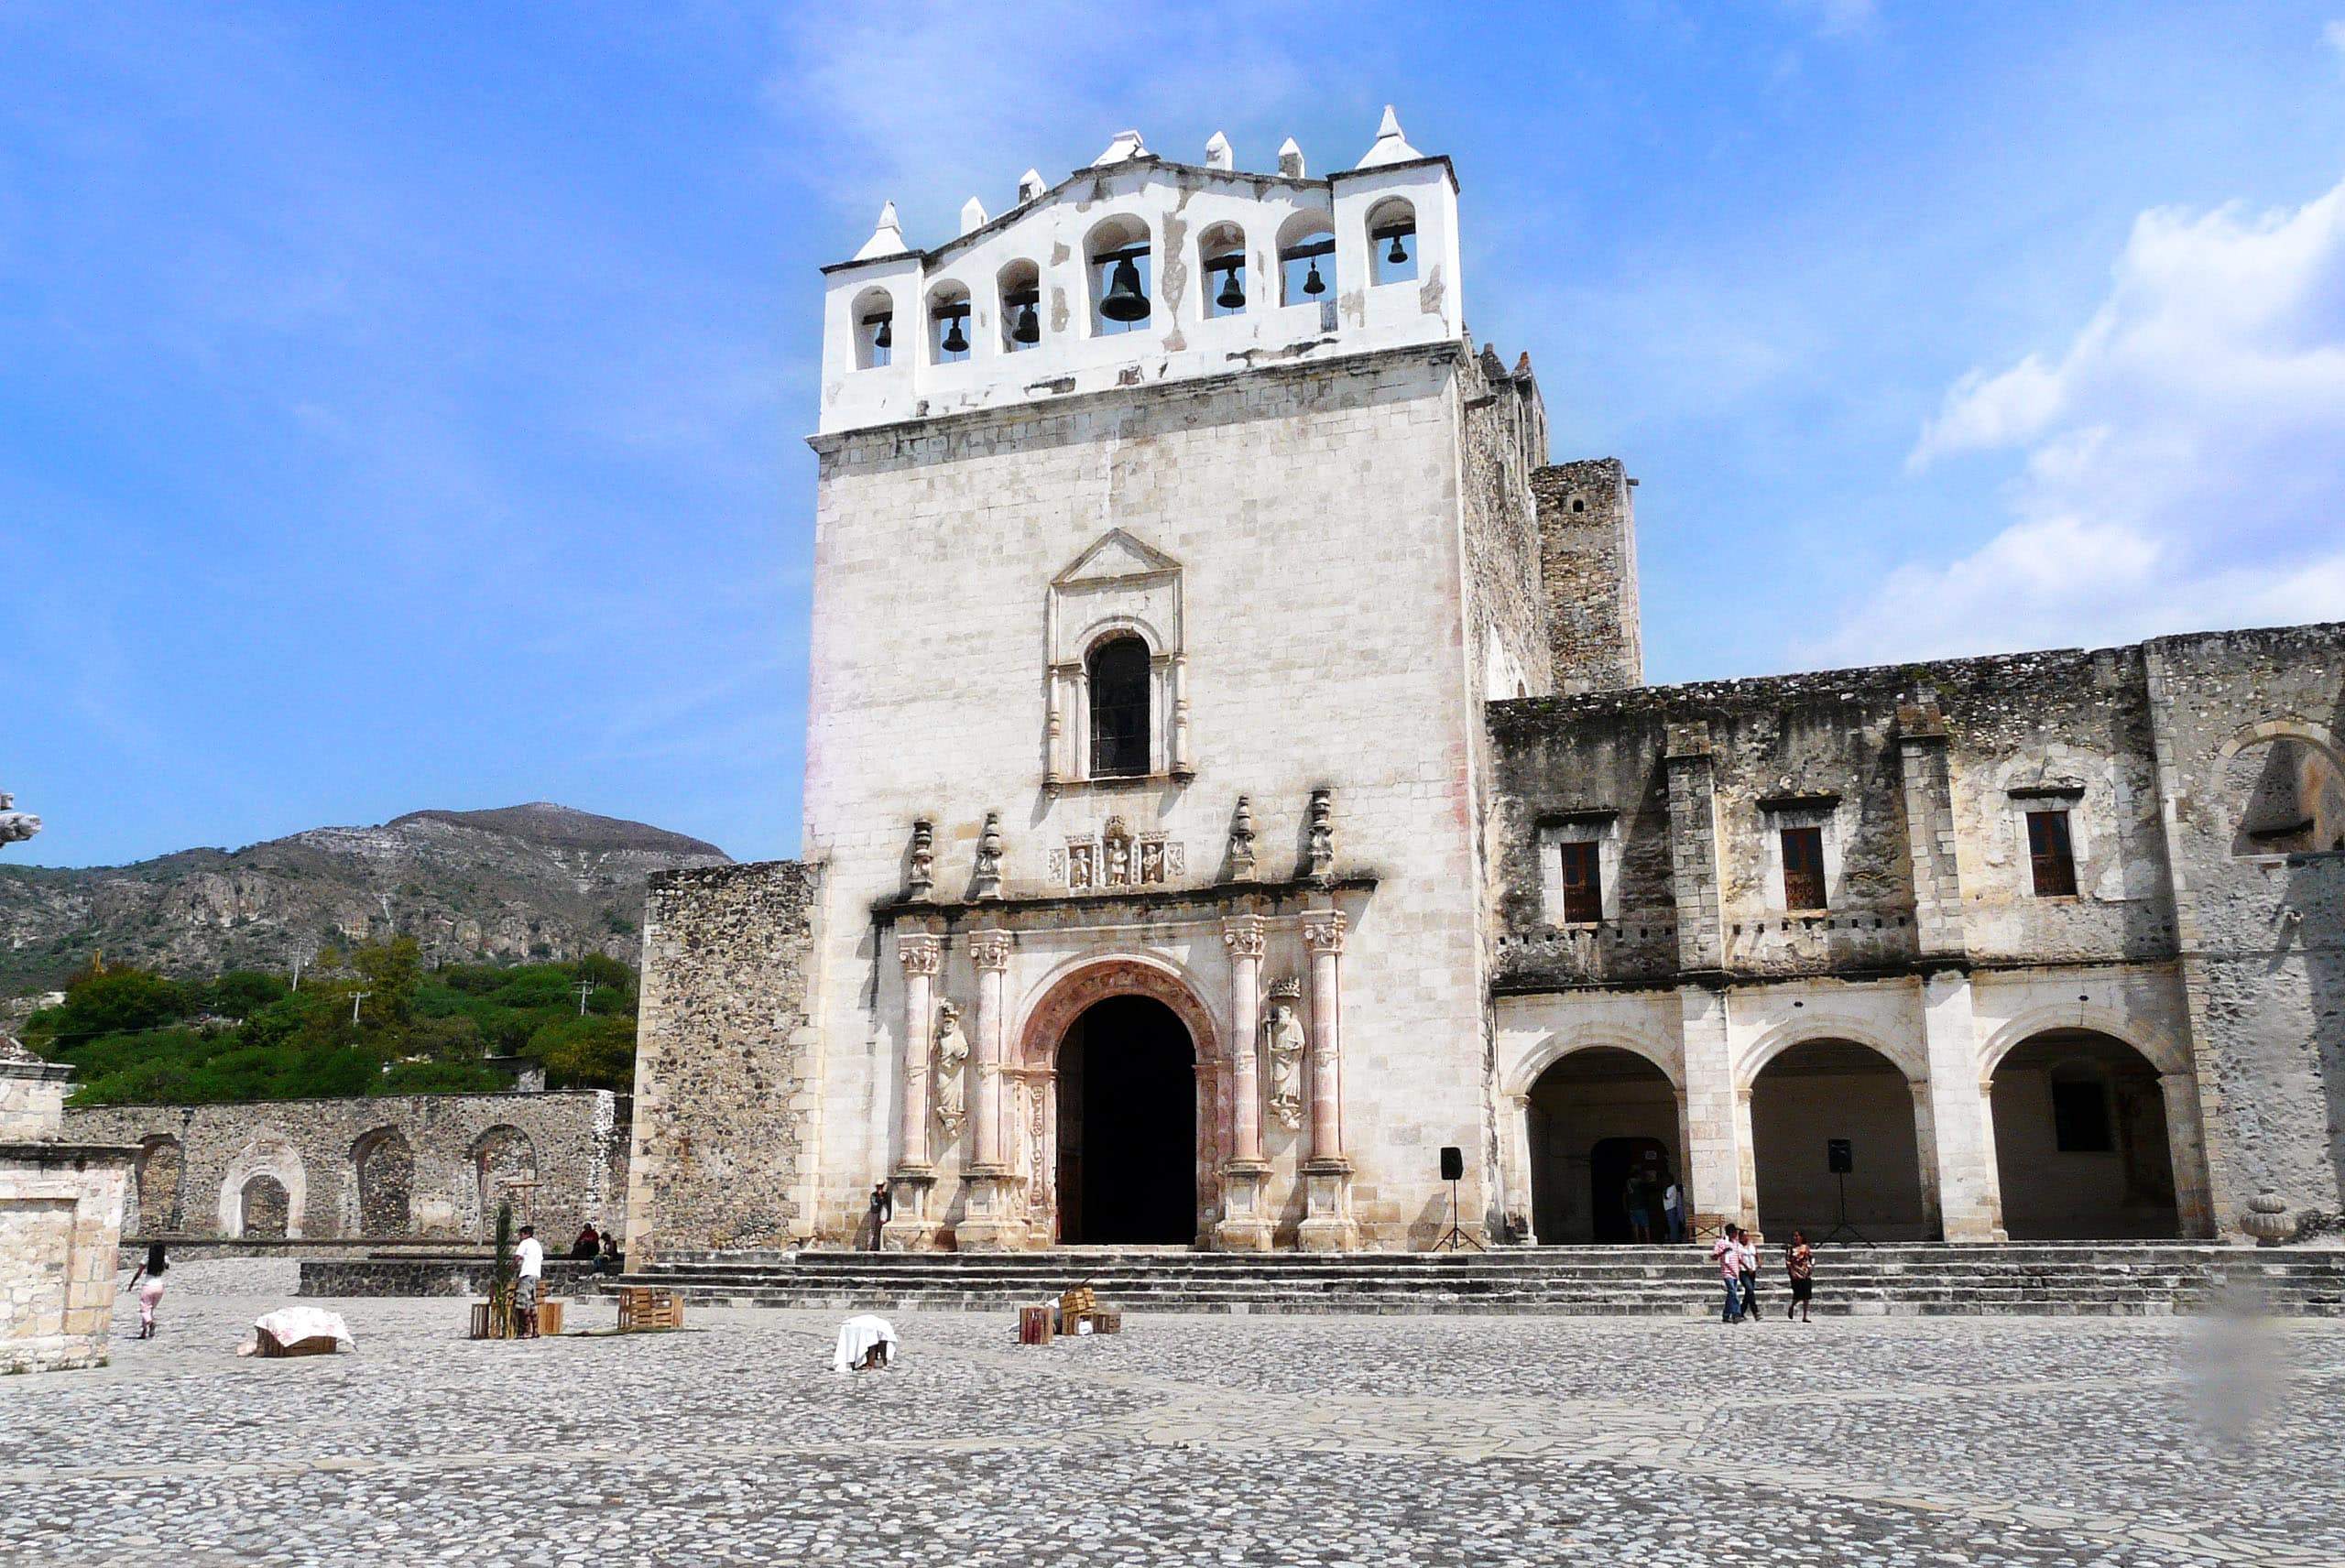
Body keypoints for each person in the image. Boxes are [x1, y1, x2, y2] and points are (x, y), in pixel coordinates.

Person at [125, 1243, 169, 1340]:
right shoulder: (164, 1258)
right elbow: (167, 1267)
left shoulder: (147, 1258)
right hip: (159, 1287)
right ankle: (144, 1331)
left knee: (144, 1310)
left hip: (148, 1286)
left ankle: (150, 1323)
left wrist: (132, 1283)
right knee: (150, 1310)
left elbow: (139, 1272)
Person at [513, 1223, 543, 1339]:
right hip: (536, 1275)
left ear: (526, 1234)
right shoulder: (537, 1245)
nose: (520, 1237)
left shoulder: (524, 1243)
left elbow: (517, 1257)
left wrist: (512, 1267)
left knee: (523, 1303)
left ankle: (526, 1330)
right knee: (531, 1304)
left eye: (521, 1234)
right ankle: (535, 1330)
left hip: (526, 1274)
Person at [1711, 1225, 1744, 1323]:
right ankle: (1736, 1314)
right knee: (1733, 1292)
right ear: (1731, 1233)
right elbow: (1714, 1256)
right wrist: (1723, 1252)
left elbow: (1739, 1257)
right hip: (1727, 1272)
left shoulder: (1736, 1244)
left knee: (1731, 1294)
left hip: (1735, 1272)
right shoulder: (1721, 1243)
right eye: (1735, 1233)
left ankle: (1726, 1314)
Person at [1784, 1228, 1815, 1322]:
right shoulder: (1790, 1249)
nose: (1795, 1238)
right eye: (1794, 1236)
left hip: (1805, 1272)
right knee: (1798, 1294)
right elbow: (1788, 1261)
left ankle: (1805, 1316)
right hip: (1795, 1273)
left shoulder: (1806, 1247)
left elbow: (1812, 1257)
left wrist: (1812, 1266)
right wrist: (1792, 1272)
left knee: (1807, 1295)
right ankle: (1792, 1306)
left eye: (1797, 1236)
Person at [1736, 1227, 1762, 1323]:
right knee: (1750, 1289)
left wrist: (1758, 1261)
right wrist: (1747, 1267)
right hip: (1743, 1271)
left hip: (1753, 1271)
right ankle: (1756, 1312)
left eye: (1747, 1236)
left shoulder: (1751, 1245)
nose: (1746, 1237)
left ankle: (1741, 1311)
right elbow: (1739, 1259)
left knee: (1749, 1292)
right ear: (1740, 1237)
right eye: (1744, 1236)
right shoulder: (1738, 1247)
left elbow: (1756, 1254)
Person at [1624, 1173, 1653, 1243]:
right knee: (1645, 1224)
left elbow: (1625, 1195)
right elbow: (1648, 1189)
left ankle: (1637, 1240)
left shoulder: (1628, 1183)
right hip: (1640, 1206)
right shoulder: (1640, 1182)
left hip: (1632, 1207)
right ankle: (1648, 1240)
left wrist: (1626, 1207)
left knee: (1635, 1224)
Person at [867, 1181, 891, 1251]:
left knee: (881, 1229)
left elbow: (886, 1203)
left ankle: (881, 1246)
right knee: (873, 1230)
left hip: (882, 1214)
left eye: (881, 1186)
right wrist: (880, 1199)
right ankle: (871, 1246)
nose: (879, 1188)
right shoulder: (873, 1195)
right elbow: (874, 1204)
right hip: (874, 1213)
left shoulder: (885, 1195)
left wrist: (882, 1198)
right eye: (878, 1186)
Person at [1663, 1179, 1686, 1244]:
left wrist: (1664, 1189)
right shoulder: (1671, 1188)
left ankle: (1674, 1240)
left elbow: (1666, 1196)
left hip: (1671, 1208)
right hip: (1669, 1208)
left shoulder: (1671, 1188)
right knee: (1674, 1224)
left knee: (1672, 1225)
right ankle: (1676, 1238)